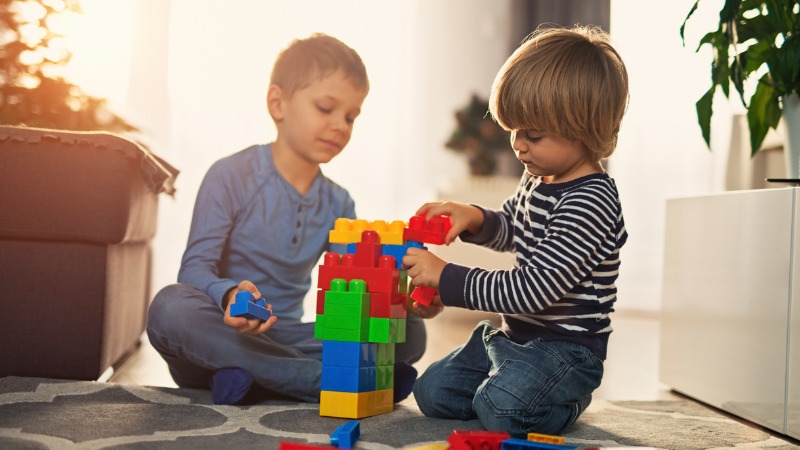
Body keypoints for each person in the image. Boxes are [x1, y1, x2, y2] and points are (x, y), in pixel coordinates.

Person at [147, 33, 426, 405]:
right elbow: (195, 269)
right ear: (278, 104)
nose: (341, 125)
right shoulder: (231, 175)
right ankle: (322, 380)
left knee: (409, 329)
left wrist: (409, 290)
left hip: (287, 335)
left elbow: (361, 283)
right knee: (169, 307)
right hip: (222, 332)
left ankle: (255, 376)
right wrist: (229, 293)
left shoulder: (339, 202)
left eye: (351, 116)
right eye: (326, 108)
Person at [402, 25, 629, 436]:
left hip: (566, 353)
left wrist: (446, 276)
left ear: (584, 128)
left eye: (533, 135)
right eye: (514, 132)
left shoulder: (590, 201)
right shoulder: (539, 177)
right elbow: (511, 227)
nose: (518, 146)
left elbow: (530, 290)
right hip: (514, 340)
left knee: (500, 411)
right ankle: (509, 385)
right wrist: (472, 217)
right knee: (432, 391)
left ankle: (564, 399)